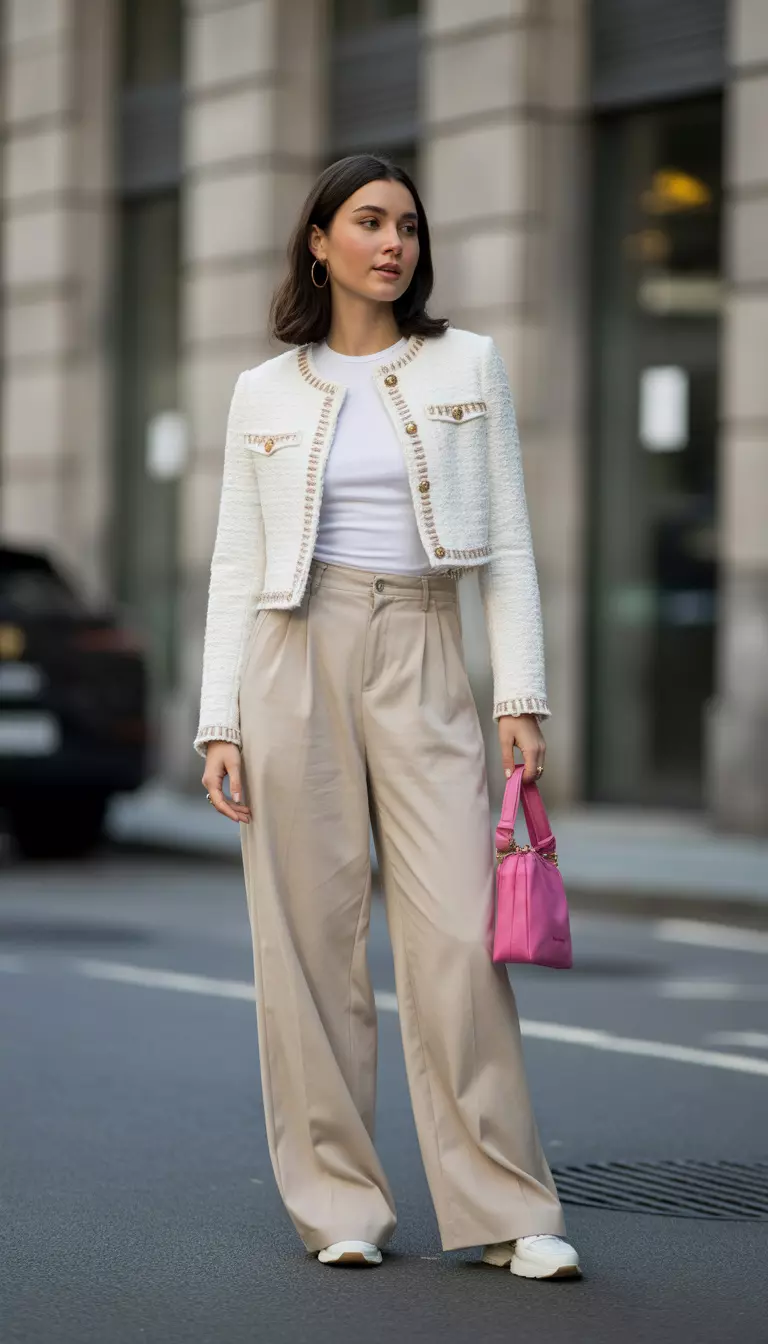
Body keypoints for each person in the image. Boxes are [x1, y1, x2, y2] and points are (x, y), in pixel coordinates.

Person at [195, 153, 582, 1280]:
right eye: (367, 222)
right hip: (290, 650)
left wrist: (520, 696)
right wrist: (219, 719)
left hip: (423, 644)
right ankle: (339, 1203)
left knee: (462, 939)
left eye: (407, 225)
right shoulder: (265, 389)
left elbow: (507, 539)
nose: (393, 243)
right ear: (317, 241)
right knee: (307, 943)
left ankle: (509, 1207)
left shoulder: (468, 363)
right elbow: (231, 562)